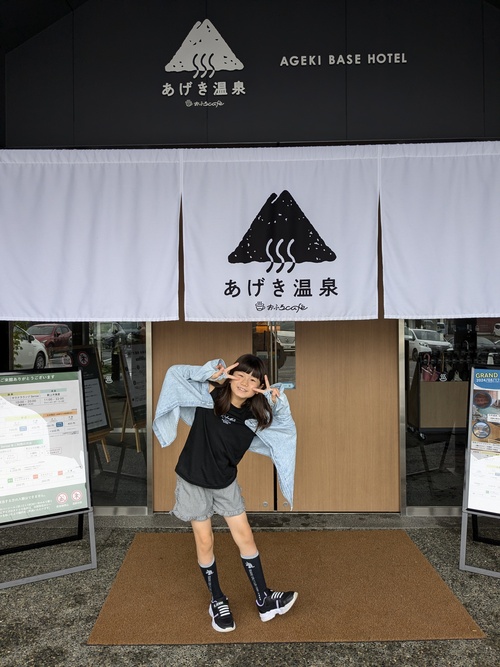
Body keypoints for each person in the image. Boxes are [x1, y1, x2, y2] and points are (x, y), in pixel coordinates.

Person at [153, 354, 297, 633]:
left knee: (245, 536)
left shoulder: (256, 417)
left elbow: (286, 431)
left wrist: (279, 404)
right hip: (193, 479)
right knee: (205, 541)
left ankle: (264, 599)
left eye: (253, 380)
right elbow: (174, 374)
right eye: (240, 375)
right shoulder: (209, 396)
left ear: (259, 387)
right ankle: (217, 599)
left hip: (225, 481)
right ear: (230, 376)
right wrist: (209, 371)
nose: (244, 383)